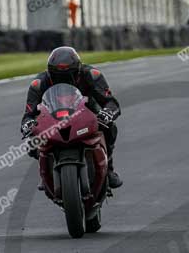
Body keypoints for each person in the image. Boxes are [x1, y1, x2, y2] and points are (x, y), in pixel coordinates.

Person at [20, 46, 123, 189]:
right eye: (58, 76)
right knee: (32, 142)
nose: (64, 80)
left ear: (79, 70)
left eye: (69, 75)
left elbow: (111, 102)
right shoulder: (38, 84)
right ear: (50, 72)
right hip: (52, 113)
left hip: (87, 109)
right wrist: (28, 124)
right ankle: (46, 172)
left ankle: (109, 168)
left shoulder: (92, 75)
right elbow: (28, 114)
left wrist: (107, 113)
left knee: (110, 127)